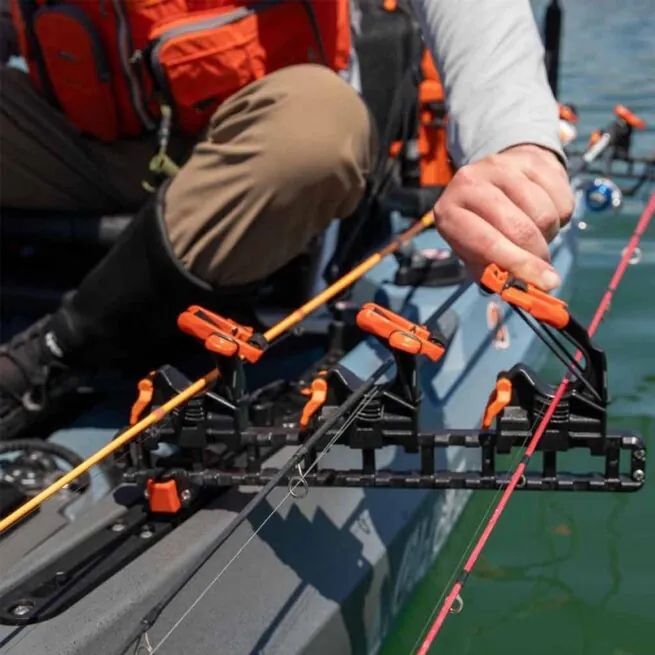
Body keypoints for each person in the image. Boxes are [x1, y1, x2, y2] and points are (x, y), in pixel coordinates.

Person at [0, 0, 574, 440]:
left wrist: (513, 142)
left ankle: (53, 354)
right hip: (82, 145)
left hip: (263, 158)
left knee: (317, 132)